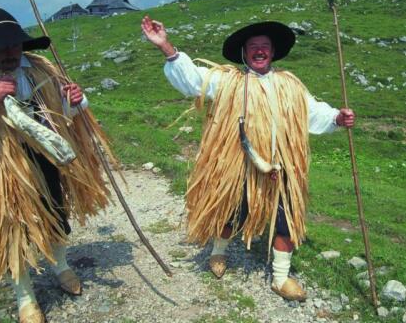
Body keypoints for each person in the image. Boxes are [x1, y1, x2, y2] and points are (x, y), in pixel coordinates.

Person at [141, 16, 355, 301]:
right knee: (232, 212)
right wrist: (166, 46)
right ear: (244, 52)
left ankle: (280, 278)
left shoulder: (290, 85)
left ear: (273, 51)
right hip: (240, 166)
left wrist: (338, 118)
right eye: (253, 46)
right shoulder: (230, 82)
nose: (259, 50)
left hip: (283, 167)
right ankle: (219, 252)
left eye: (264, 46)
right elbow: (194, 80)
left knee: (286, 218)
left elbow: (314, 112)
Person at [0, 9, 115, 323]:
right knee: (13, 227)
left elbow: (60, 111)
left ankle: (61, 267)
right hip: (2, 168)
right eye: (2, 46)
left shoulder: (38, 69)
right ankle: (25, 298)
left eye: (15, 44)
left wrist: (75, 100)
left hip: (45, 158)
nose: (10, 51)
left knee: (55, 212)